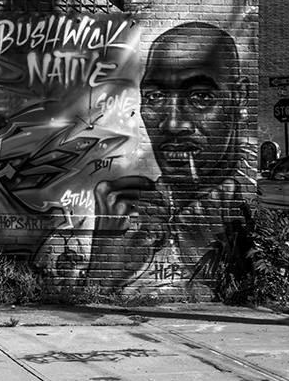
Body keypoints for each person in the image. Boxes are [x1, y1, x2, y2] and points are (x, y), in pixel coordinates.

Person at [87, 22, 251, 292]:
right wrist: (105, 266)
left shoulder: (247, 214)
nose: (172, 124)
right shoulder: (116, 212)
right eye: (155, 96)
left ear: (240, 98)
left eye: (200, 97)